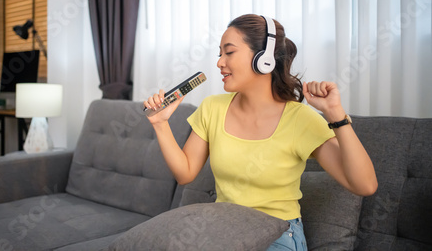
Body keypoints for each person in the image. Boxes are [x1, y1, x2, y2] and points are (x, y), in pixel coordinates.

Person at [143, 14, 378, 250]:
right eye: (219, 54)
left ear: (264, 58)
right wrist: (160, 123)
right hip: (223, 230)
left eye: (229, 52)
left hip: (277, 234)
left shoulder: (299, 119)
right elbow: (185, 174)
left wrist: (336, 115)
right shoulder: (212, 108)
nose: (219, 62)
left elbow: (364, 185)